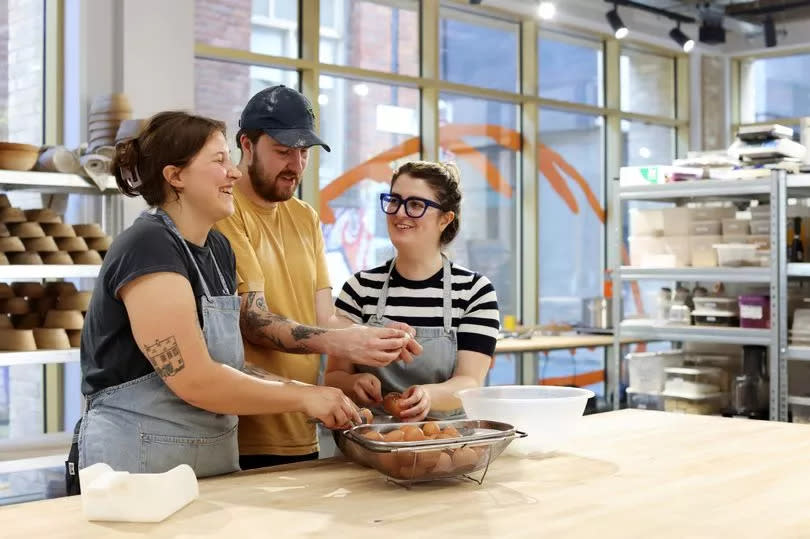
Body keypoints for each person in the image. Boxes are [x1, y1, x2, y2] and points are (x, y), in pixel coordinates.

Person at [76, 111, 362, 481]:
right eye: (219, 160)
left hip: (202, 470)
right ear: (175, 176)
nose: (235, 172)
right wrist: (303, 398)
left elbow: (229, 367)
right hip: (135, 474)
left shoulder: (217, 249)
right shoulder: (148, 246)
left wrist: (308, 390)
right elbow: (194, 377)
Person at [215, 86, 421, 471]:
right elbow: (253, 321)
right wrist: (345, 340)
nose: (295, 164)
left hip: (304, 427)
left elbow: (323, 317)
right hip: (246, 432)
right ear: (246, 144)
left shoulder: (305, 217)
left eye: (304, 152)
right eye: (282, 151)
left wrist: (371, 336)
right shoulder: (226, 212)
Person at [325, 161, 500, 421]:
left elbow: (470, 381)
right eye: (394, 201)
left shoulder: (474, 292)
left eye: (416, 205)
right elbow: (334, 376)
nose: (400, 213)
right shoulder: (359, 289)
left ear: (445, 218)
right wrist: (354, 382)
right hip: (372, 439)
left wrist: (427, 396)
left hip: (447, 442)